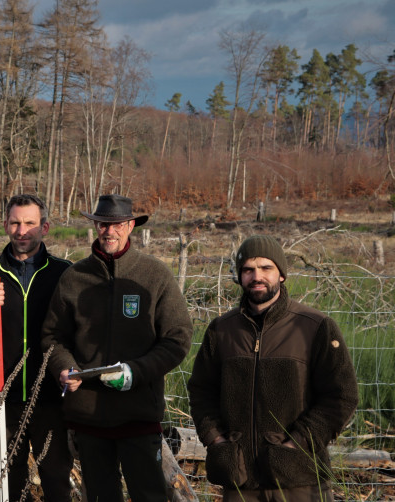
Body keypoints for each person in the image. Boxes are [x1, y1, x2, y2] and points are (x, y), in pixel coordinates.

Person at [41, 194, 192, 502]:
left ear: (131, 226)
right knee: (99, 497)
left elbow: (178, 338)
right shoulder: (74, 277)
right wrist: (64, 367)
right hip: (88, 417)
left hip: (138, 415)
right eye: (103, 224)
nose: (109, 232)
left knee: (149, 496)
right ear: (95, 225)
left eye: (118, 224)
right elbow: (53, 336)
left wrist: (135, 372)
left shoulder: (154, 275)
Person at [187, 235, 358, 502]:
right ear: (240, 276)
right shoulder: (221, 330)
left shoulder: (315, 327)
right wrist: (217, 441)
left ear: (282, 275)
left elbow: (341, 396)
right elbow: (201, 392)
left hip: (300, 480)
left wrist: (296, 444)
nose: (257, 276)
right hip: (240, 479)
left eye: (266, 268)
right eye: (248, 269)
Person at [0, 194, 73, 501]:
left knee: (56, 479)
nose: (22, 231)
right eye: (15, 223)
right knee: (9, 483)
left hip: (51, 398)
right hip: (3, 400)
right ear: (6, 225)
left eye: (30, 223)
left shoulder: (64, 274)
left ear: (45, 227)